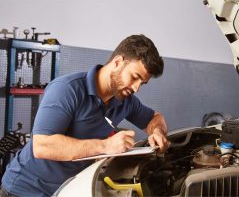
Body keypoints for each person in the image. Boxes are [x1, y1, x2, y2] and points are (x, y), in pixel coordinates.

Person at [1, 34, 169, 197]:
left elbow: (155, 118)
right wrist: (105, 146)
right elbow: (42, 146)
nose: (136, 88)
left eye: (142, 83)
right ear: (117, 62)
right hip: (24, 189)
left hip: (67, 189)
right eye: (134, 77)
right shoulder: (67, 89)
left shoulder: (126, 101)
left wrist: (158, 132)